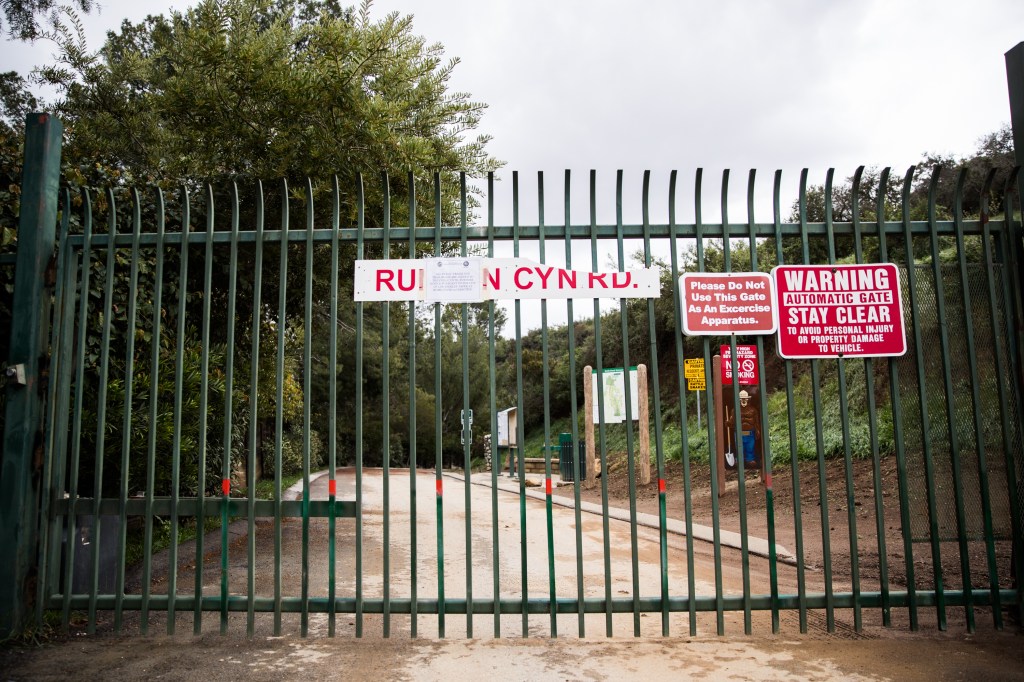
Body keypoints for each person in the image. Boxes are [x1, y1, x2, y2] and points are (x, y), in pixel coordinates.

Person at [726, 389, 761, 467]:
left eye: (745, 399)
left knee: (750, 447)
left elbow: (756, 422)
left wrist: (757, 430)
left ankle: (750, 459)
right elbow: (732, 422)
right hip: (739, 433)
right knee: (739, 447)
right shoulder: (734, 410)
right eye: (741, 399)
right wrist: (728, 423)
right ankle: (739, 459)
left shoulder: (753, 410)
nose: (743, 400)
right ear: (739, 400)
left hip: (750, 432)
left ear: (748, 399)